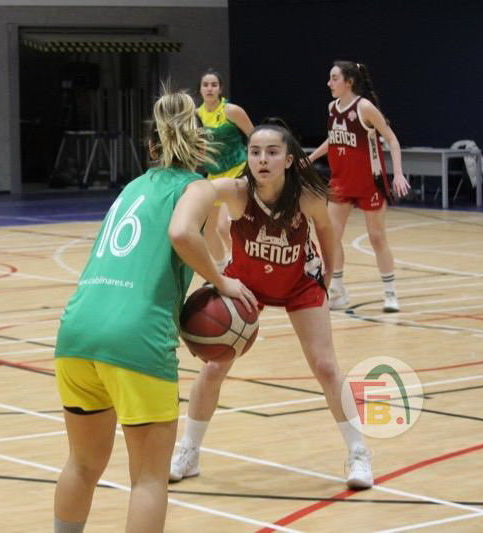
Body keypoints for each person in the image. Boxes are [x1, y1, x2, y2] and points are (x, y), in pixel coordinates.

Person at [53, 88, 254, 533]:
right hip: (136, 338)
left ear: (151, 146)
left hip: (76, 332)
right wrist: (221, 281)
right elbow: (182, 232)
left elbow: (212, 200)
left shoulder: (132, 188)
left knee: (82, 465)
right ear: (201, 146)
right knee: (147, 479)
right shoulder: (195, 187)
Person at [169, 123, 374, 490]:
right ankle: (189, 451)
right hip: (245, 284)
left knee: (325, 366)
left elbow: (327, 231)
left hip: (298, 283)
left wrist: (328, 276)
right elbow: (193, 190)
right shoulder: (236, 192)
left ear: (289, 160)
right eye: (255, 152)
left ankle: (358, 452)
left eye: (272, 152)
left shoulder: (308, 196)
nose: (262, 159)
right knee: (214, 367)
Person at [308, 61, 410, 312]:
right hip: (341, 182)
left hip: (369, 182)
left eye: (334, 78)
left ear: (349, 82)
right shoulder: (332, 107)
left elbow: (392, 139)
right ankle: (338, 290)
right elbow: (333, 140)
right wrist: (309, 158)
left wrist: (398, 173)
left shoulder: (364, 107)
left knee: (376, 237)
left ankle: (390, 293)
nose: (329, 83)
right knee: (330, 237)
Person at [197, 68, 254, 271]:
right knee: (208, 230)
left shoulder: (231, 110)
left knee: (224, 226)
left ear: (220, 89)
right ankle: (222, 270)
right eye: (205, 85)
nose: (209, 88)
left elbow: (254, 135)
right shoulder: (196, 116)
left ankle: (242, 267)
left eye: (214, 85)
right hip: (214, 175)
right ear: (200, 89)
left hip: (237, 171)